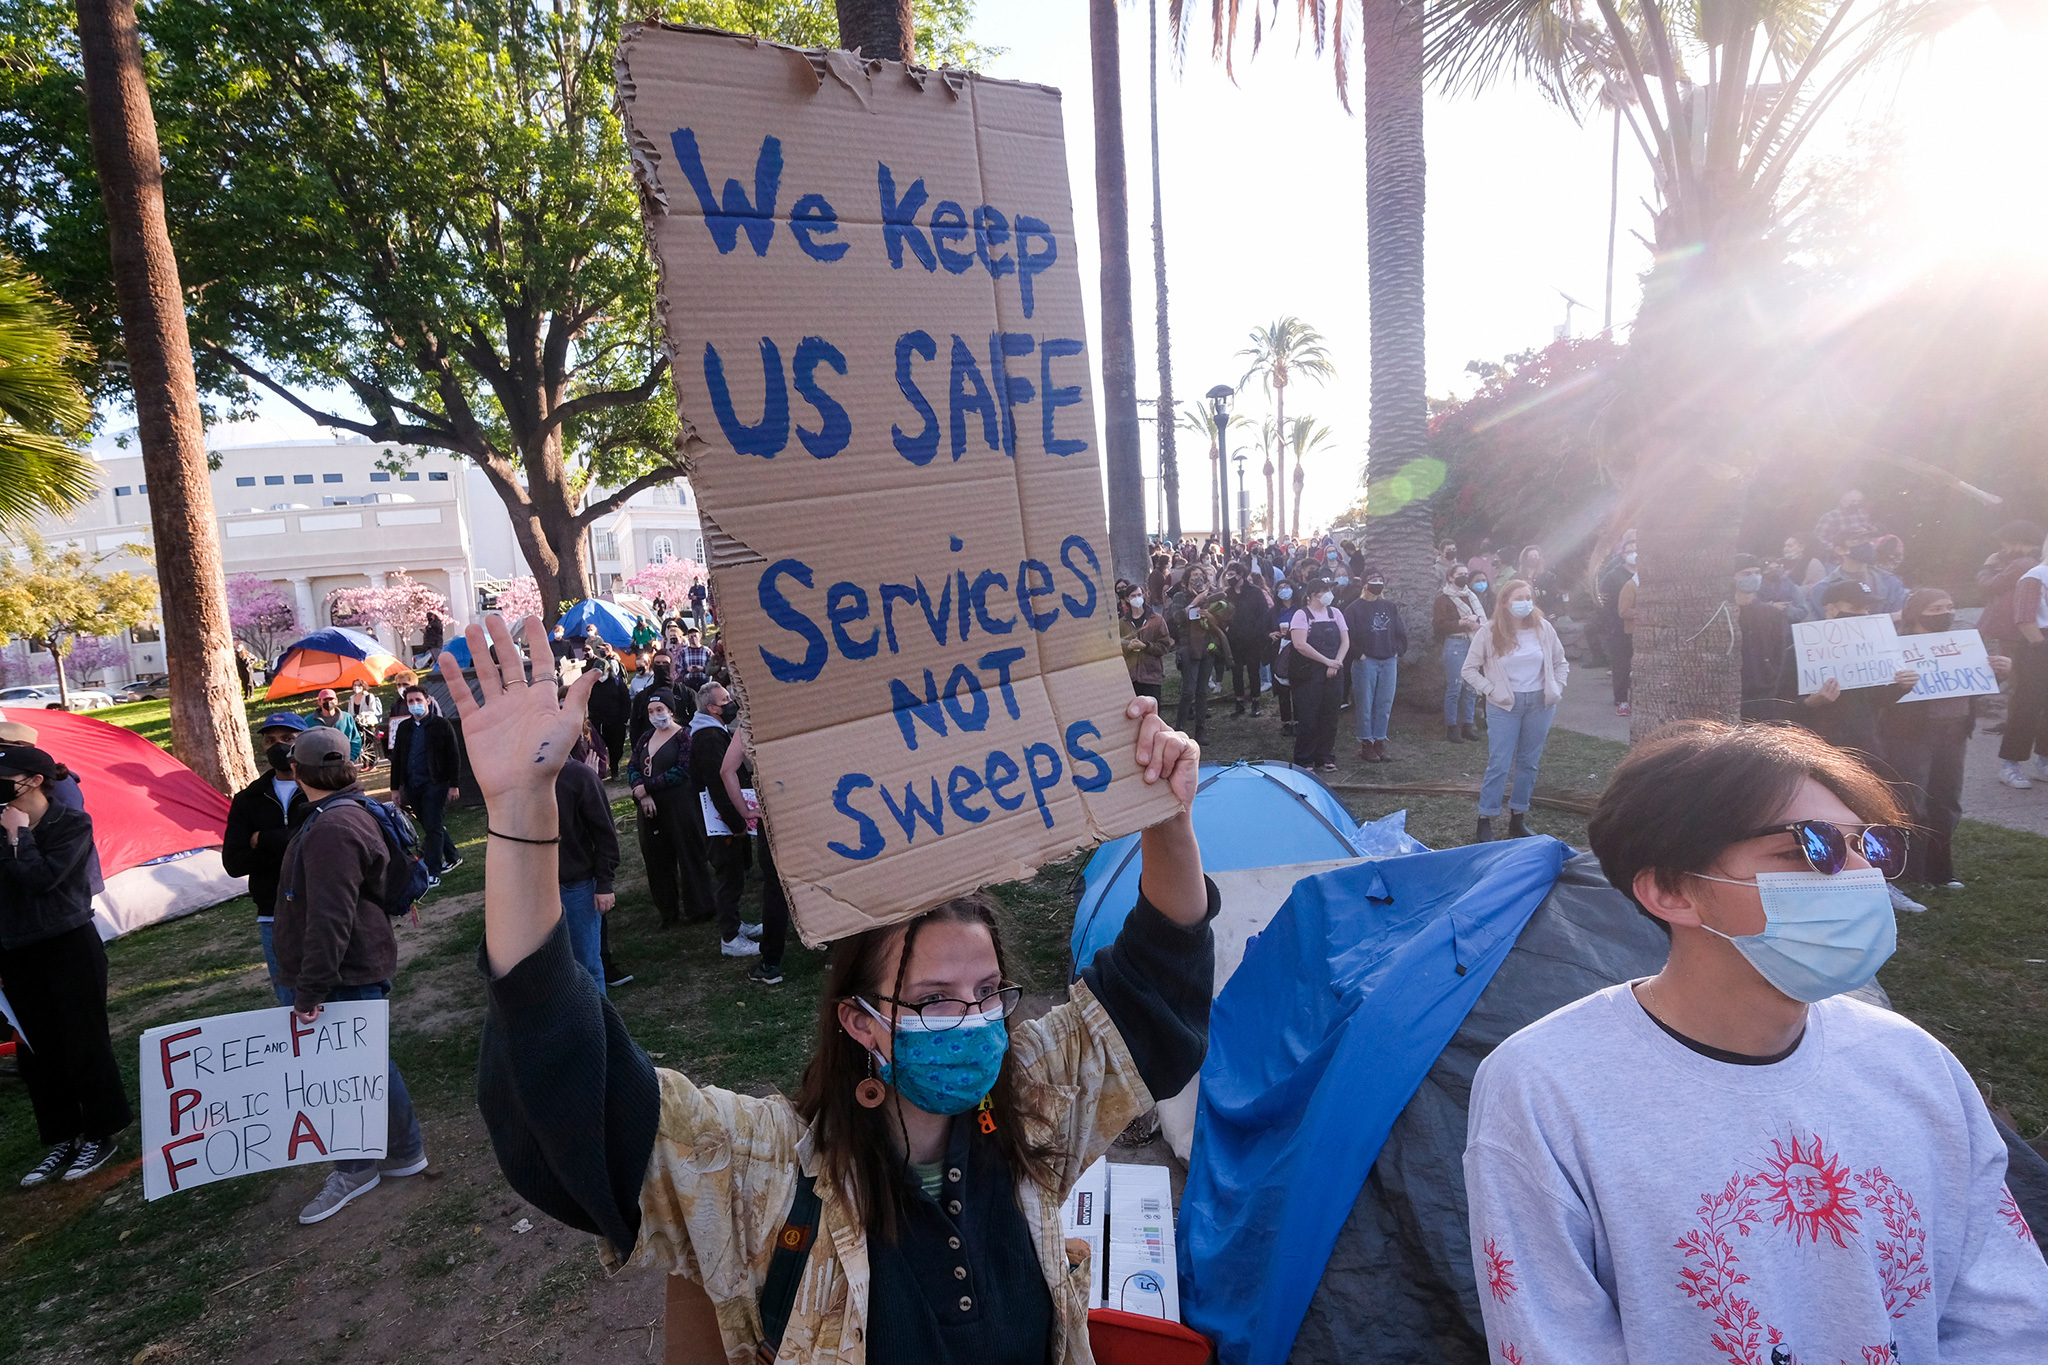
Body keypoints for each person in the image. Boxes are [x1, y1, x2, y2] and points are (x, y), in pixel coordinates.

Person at [448, 613, 1215, 1364]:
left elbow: (1153, 990)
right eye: (937, 999)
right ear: (859, 1021)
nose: (977, 1021)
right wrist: (521, 811)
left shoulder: (1033, 1107)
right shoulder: (763, 1173)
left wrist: (1165, 813)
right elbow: (577, 1091)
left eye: (989, 993)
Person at [1467, 720, 2048, 1360]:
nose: (1860, 876)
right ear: (1670, 889)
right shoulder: (1544, 1088)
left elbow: (2003, 1312)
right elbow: (1553, 1339)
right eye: (1808, 849)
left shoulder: (1915, 1064)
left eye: (1868, 846)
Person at [274, 726, 429, 1223]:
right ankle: (405, 1153)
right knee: (371, 1063)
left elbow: (331, 917)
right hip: (357, 961)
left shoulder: (333, 829)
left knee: (343, 1073)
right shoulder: (346, 812)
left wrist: (309, 989)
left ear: (297, 771)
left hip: (346, 969)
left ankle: (355, 1167)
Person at [0, 742, 130, 1187]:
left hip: (69, 943)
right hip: (15, 949)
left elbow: (42, 881)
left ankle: (101, 1132)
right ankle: (62, 1136)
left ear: (34, 781)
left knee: (84, 1039)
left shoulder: (70, 823)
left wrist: (18, 838)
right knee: (36, 1049)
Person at [1882, 588, 2011, 889]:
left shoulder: (1961, 645)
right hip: (1910, 735)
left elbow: (1970, 688)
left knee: (1947, 802)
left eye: (1950, 606)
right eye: (1936, 608)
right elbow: (1879, 698)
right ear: (1916, 613)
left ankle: (1940, 871)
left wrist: (1998, 674)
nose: (1945, 613)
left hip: (1953, 734)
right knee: (1911, 802)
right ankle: (1908, 873)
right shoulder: (1894, 648)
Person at [1461, 579, 1568, 843]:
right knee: (1499, 763)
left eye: (1528, 596)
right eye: (1519, 597)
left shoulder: (1543, 628)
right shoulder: (1489, 632)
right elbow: (1469, 670)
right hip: (1504, 705)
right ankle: (1485, 818)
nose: (1525, 602)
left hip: (1540, 704)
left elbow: (1560, 662)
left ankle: (1518, 817)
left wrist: (1556, 687)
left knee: (1529, 763)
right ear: (1505, 602)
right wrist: (1491, 690)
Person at [222, 711, 314, 1003]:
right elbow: (234, 863)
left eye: (287, 739)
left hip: (321, 906)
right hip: (272, 913)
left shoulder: (320, 789)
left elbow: (322, 844)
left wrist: (263, 839)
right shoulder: (248, 799)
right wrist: (290, 843)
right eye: (270, 741)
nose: (278, 747)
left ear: (305, 742)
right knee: (291, 1001)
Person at [1782, 580, 1920, 765]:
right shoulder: (1800, 651)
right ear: (1831, 609)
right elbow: (1780, 710)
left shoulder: (1871, 649)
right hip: (1821, 753)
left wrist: (1901, 686)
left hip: (1866, 749)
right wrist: (1810, 703)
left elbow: (1875, 701)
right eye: (1857, 607)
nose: (1864, 614)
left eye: (1867, 608)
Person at [685, 682, 764, 957]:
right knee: (728, 875)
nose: (731, 703)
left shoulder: (714, 732)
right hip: (719, 822)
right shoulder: (708, 738)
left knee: (736, 873)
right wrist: (736, 823)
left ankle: (734, 922)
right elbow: (718, 785)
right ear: (711, 708)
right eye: (726, 700)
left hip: (723, 819)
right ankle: (729, 937)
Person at [628, 689, 715, 929]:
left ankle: (700, 908)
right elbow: (633, 766)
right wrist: (640, 792)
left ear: (670, 711)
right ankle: (668, 912)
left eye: (659, 710)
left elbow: (682, 771)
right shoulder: (645, 738)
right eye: (650, 711)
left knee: (689, 855)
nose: (655, 715)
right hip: (651, 810)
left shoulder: (685, 736)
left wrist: (646, 788)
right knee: (656, 860)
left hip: (680, 807)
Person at [720, 717, 791, 987]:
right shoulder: (807, 706)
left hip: (773, 812)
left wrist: (746, 811)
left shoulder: (751, 720)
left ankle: (771, 962)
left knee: (776, 888)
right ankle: (833, 946)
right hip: (813, 808)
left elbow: (727, 770)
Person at [555, 748, 620, 992]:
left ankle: (596, 1025)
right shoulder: (523, 776)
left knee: (586, 965)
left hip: (575, 885)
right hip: (536, 888)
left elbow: (605, 835)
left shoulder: (578, 776)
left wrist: (604, 884)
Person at [391, 683, 463, 880]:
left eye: (418, 700)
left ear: (427, 701)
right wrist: (395, 788)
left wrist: (453, 784)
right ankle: (453, 855)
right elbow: (397, 758)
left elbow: (454, 756)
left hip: (436, 783)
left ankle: (432, 871)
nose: (415, 704)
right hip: (413, 784)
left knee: (432, 827)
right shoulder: (404, 727)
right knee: (431, 824)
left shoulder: (441, 725)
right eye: (411, 701)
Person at [1996, 536, 2048, 791]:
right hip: (2039, 644)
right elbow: (2025, 617)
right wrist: (2041, 647)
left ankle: (2044, 762)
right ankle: (2010, 765)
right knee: (2028, 706)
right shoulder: (2035, 576)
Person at [1344, 570, 1406, 763]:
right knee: (1365, 703)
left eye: (1380, 580)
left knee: (1385, 702)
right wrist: (1359, 655)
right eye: (1373, 580)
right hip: (1366, 661)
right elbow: (1347, 637)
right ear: (1364, 584)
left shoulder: (1389, 606)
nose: (1378, 583)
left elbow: (1400, 632)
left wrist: (1397, 650)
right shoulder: (1353, 609)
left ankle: (1380, 740)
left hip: (1388, 660)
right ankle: (1366, 743)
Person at [1288, 577, 1348, 772]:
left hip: (1334, 671)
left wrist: (1336, 662)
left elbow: (1345, 641)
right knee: (1309, 716)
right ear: (1313, 594)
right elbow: (1300, 644)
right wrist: (1326, 661)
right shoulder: (1301, 615)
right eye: (1324, 590)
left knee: (1330, 715)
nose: (1328, 594)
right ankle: (1304, 758)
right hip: (1308, 673)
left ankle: (1325, 756)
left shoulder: (1336, 613)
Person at [1170, 568, 1230, 742]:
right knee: (1189, 690)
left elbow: (1223, 617)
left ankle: (1200, 731)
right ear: (1187, 579)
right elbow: (1177, 618)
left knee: (1202, 691)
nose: (1198, 577)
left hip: (1207, 645)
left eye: (1200, 575)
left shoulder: (1210, 596)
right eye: (1194, 575)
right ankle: (1179, 730)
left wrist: (1210, 616)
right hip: (1188, 646)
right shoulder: (1179, 597)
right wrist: (1195, 602)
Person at [1734, 561, 1795, 723]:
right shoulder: (1725, 613)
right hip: (1734, 691)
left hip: (1764, 691)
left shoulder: (1770, 613)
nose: (1753, 577)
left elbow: (1779, 650)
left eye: (1757, 572)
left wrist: (1771, 677)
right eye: (1746, 574)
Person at [1434, 566, 1486, 743]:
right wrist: (1462, 623)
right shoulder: (1443, 599)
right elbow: (1439, 625)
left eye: (1465, 574)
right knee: (1455, 686)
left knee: (1471, 686)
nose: (1463, 577)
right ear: (1450, 578)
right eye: (1459, 575)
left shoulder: (1472, 596)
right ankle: (1452, 726)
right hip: (1455, 643)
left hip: (1473, 643)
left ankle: (1468, 724)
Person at [1227, 568, 1273, 717]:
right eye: (1228, 575)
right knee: (1237, 672)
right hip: (1234, 639)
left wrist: (1257, 632)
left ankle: (1255, 702)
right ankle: (1239, 703)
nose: (1229, 577)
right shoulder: (1228, 593)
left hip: (1253, 639)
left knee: (1254, 672)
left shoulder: (1255, 592)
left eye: (1232, 574)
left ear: (1240, 575)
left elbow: (1264, 613)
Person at [1118, 585, 1171, 701]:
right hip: (1130, 677)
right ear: (1127, 599)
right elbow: (1117, 649)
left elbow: (1165, 646)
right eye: (1133, 596)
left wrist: (1146, 646)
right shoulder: (1122, 623)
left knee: (1152, 714)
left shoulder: (1157, 620)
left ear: (1144, 595)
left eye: (1139, 595)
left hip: (1151, 676)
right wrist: (1128, 647)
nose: (1137, 598)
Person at [1812, 487, 1876, 558]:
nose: (1855, 504)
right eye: (1852, 501)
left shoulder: (1863, 514)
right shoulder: (1830, 517)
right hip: (1836, 559)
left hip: (1859, 557)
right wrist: (1836, 548)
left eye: (1858, 501)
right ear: (1842, 500)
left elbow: (1867, 533)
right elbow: (1817, 539)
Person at [309, 687, 364, 763]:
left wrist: (351, 759)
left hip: (344, 761)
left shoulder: (346, 718)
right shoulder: (309, 721)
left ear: (336, 701)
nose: (328, 702)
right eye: (325, 700)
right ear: (319, 702)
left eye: (331, 699)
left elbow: (355, 740)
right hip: (320, 764)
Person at [1613, 560, 1638, 716]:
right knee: (1624, 668)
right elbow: (1623, 611)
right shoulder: (1631, 586)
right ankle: (1622, 701)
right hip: (1631, 634)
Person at [347, 680, 384, 769]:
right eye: (354, 685)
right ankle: (365, 764)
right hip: (357, 723)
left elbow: (372, 710)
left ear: (363, 686)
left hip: (369, 722)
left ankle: (372, 764)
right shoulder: (352, 698)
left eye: (358, 685)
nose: (356, 687)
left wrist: (361, 715)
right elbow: (350, 712)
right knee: (361, 744)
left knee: (369, 743)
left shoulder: (369, 696)